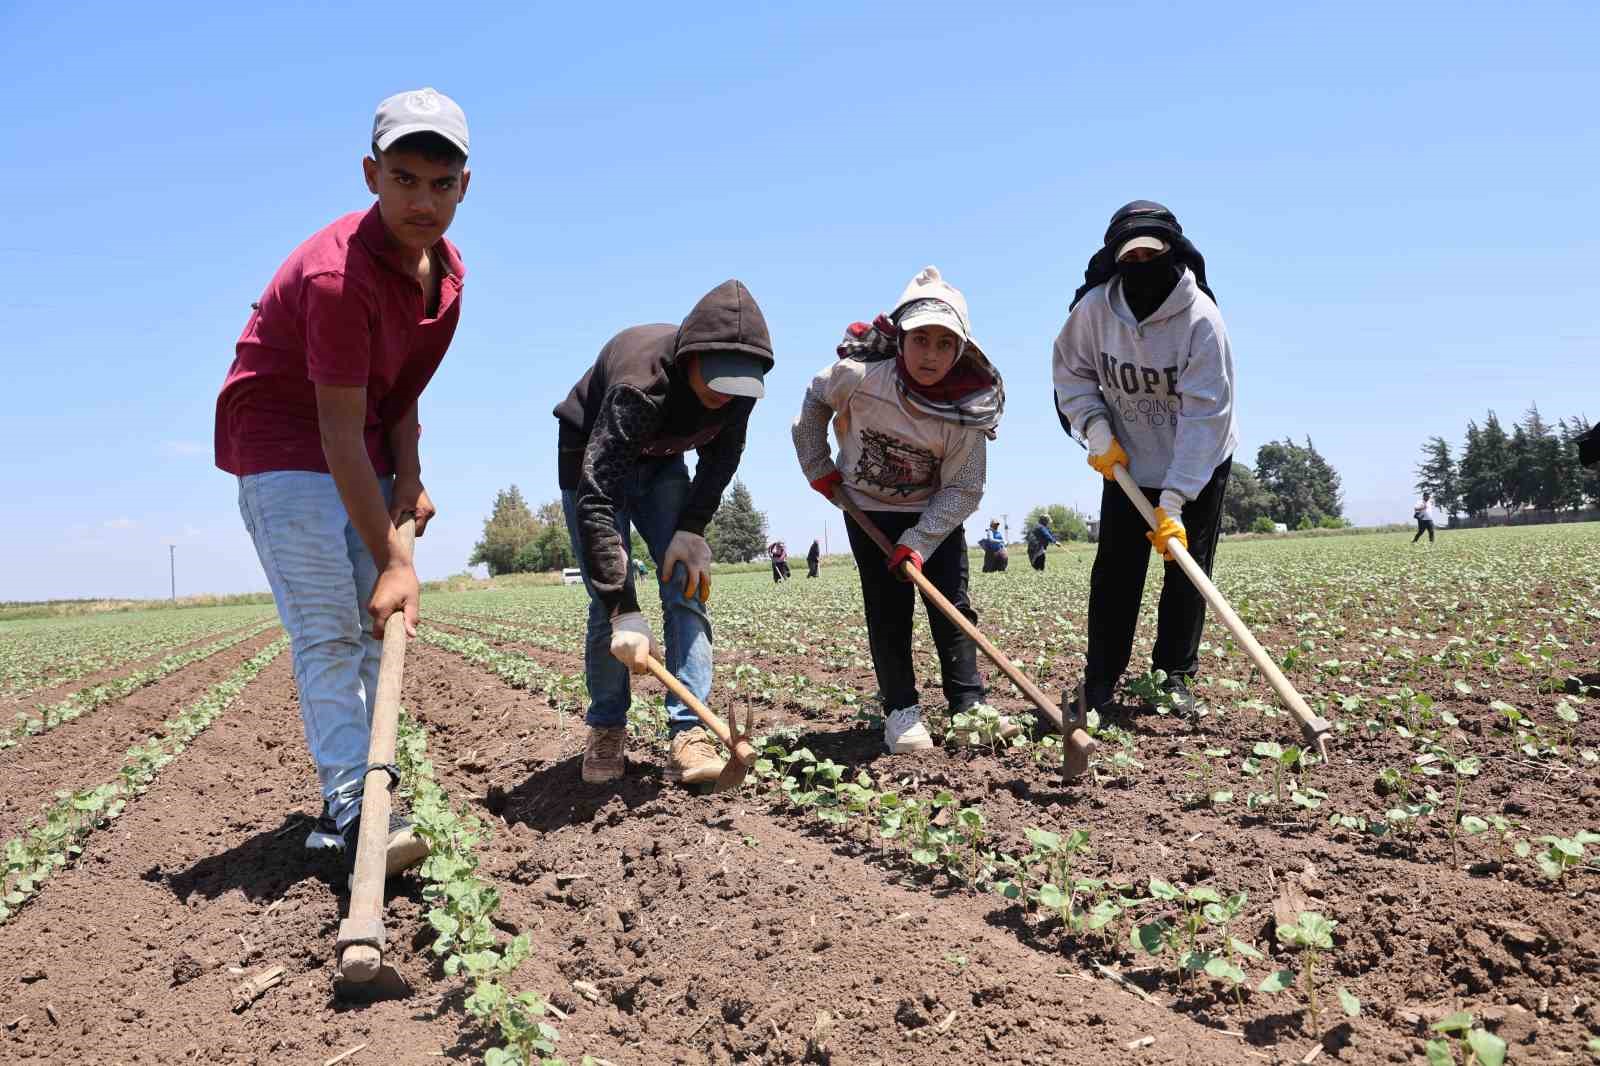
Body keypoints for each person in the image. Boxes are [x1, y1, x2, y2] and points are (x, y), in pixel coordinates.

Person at [214, 88, 471, 878]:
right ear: (370, 174)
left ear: (465, 185)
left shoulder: (449, 274)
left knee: (372, 626)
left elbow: (399, 386)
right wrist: (395, 559)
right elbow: (333, 429)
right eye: (403, 179)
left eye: (439, 183)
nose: (421, 201)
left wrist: (411, 475)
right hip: (283, 442)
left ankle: (362, 791)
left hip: (360, 438)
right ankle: (355, 802)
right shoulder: (336, 277)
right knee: (329, 626)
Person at [554, 280, 773, 785]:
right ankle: (607, 727)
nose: (725, 395)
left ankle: (689, 732)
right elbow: (598, 500)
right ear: (689, 356)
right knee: (607, 604)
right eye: (715, 380)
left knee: (687, 581)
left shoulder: (740, 389)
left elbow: (722, 457)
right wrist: (623, 608)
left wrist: (691, 528)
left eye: (737, 384)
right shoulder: (641, 384)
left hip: (661, 459)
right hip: (592, 460)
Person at [794, 266, 1019, 752]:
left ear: (961, 349)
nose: (930, 355)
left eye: (944, 343)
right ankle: (900, 710)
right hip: (867, 508)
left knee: (952, 606)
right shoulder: (859, 377)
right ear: (900, 340)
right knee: (887, 608)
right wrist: (818, 464)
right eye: (921, 340)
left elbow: (964, 490)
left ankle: (969, 706)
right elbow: (813, 404)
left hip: (935, 515)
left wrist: (918, 541)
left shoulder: (967, 411)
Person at [1052, 201, 1237, 719]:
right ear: (1114, 261)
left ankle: (1174, 677)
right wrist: (1095, 427)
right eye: (1129, 258)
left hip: (1197, 462)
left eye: (1151, 256)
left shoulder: (1202, 320)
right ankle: (1101, 680)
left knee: (1186, 569)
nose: (1140, 267)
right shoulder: (1093, 310)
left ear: (1173, 255)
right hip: (1125, 458)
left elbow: (1207, 416)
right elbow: (1073, 373)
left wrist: (1175, 499)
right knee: (1116, 571)